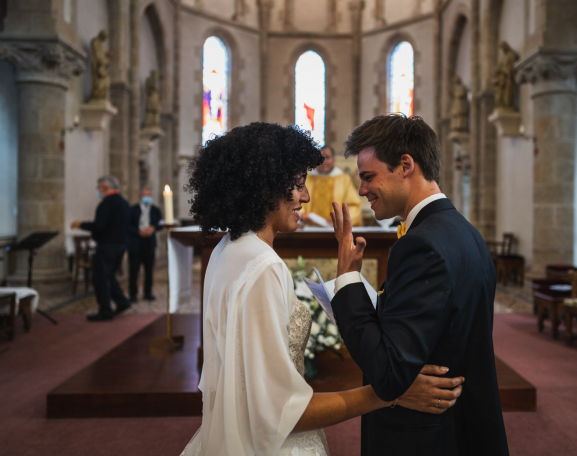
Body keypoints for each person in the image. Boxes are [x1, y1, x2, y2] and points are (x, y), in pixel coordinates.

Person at [180, 122, 464, 456]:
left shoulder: (225, 250)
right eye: (298, 185)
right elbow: (277, 412)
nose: (306, 196)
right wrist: (390, 392)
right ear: (265, 187)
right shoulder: (263, 266)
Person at [329, 114, 509, 455]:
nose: (362, 190)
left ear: (405, 165)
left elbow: (388, 373)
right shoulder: (465, 232)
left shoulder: (421, 244)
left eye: (369, 177)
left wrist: (348, 280)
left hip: (425, 437)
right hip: (463, 425)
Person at [71, 175, 131, 322]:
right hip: (121, 245)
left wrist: (81, 224)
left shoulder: (106, 203)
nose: (98, 191)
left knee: (101, 279)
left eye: (98, 188)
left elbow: (99, 226)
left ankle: (105, 311)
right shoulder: (124, 202)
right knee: (109, 275)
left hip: (107, 246)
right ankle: (122, 302)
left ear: (104, 188)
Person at [301, 145, 362, 226]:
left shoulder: (344, 180)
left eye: (327, 157)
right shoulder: (307, 179)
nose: (323, 162)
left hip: (335, 230)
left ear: (334, 160)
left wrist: (340, 219)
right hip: (309, 230)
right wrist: (301, 215)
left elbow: (354, 206)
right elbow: (298, 201)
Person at [128, 187, 163, 303]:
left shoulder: (155, 210)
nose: (147, 197)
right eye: (145, 194)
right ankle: (132, 294)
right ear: (140, 196)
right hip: (136, 243)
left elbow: (160, 224)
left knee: (149, 270)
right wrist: (138, 231)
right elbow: (127, 225)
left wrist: (153, 228)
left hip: (149, 243)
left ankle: (148, 292)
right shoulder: (132, 209)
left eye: (149, 194)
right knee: (134, 270)